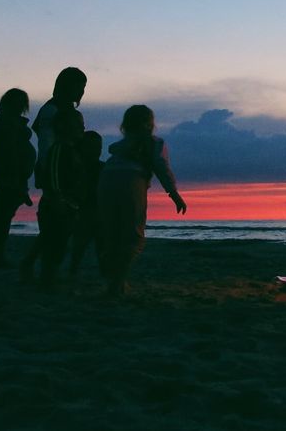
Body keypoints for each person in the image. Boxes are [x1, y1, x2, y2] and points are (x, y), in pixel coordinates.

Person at [98, 105, 186, 297]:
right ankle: (117, 283)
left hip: (106, 179)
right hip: (132, 181)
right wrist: (174, 194)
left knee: (112, 232)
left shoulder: (120, 147)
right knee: (133, 235)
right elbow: (161, 168)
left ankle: (115, 278)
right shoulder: (155, 144)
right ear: (150, 124)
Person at [21, 67, 86, 277]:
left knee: (59, 223)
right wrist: (48, 171)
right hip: (56, 170)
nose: (81, 92)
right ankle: (43, 269)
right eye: (79, 87)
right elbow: (46, 144)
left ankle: (31, 263)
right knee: (57, 221)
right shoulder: (53, 110)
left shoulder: (62, 110)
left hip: (67, 170)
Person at [30, 107, 85, 292]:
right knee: (53, 244)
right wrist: (57, 198)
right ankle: (47, 279)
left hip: (69, 205)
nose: (82, 129)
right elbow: (52, 176)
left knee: (60, 243)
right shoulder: (59, 149)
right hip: (55, 205)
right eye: (78, 125)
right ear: (63, 126)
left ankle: (48, 277)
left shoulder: (73, 151)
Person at [0, 88, 36, 268]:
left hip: (13, 173)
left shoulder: (10, 121)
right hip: (8, 172)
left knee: (4, 214)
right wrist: (17, 178)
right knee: (2, 215)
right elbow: (9, 152)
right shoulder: (6, 122)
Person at [68, 130, 104, 277]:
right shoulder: (76, 166)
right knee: (80, 244)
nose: (96, 151)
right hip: (83, 210)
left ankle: (104, 270)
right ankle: (73, 270)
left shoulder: (102, 167)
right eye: (92, 147)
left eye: (98, 148)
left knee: (102, 244)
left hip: (99, 210)